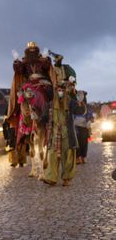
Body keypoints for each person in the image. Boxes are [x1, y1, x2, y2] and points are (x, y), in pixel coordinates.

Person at [6, 42, 53, 167]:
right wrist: (16, 61)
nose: (32, 52)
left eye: (34, 50)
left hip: (41, 82)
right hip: (29, 84)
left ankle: (44, 113)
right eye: (29, 50)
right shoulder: (25, 62)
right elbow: (19, 69)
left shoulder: (41, 61)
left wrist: (46, 57)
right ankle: (23, 116)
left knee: (43, 94)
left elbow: (47, 66)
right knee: (22, 96)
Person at [43, 52, 79, 186]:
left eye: (61, 90)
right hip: (55, 131)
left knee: (68, 156)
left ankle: (66, 178)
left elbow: (80, 109)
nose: (60, 92)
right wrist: (38, 117)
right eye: (58, 90)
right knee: (52, 154)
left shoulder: (70, 102)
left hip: (67, 132)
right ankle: (51, 177)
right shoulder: (51, 104)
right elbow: (44, 117)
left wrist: (79, 101)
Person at [73, 90, 93, 164]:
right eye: (78, 96)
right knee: (76, 142)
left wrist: (89, 121)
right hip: (76, 128)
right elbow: (71, 114)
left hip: (84, 127)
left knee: (84, 143)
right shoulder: (74, 106)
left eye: (81, 96)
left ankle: (83, 157)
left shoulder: (87, 106)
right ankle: (77, 157)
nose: (80, 97)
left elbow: (90, 116)